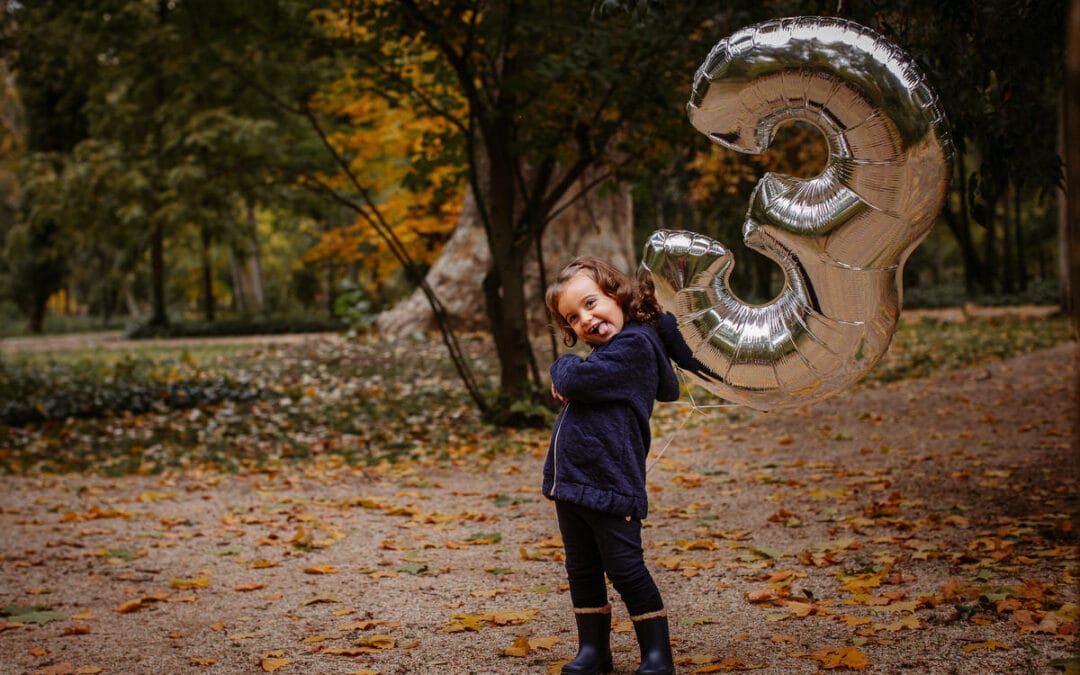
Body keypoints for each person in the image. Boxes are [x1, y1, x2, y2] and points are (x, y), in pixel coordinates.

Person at [543, 256, 680, 675]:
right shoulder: (608, 354)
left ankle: (657, 655)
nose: (585, 319)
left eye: (590, 303)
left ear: (616, 294)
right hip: (573, 483)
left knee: (625, 568)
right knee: (582, 567)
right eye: (573, 317)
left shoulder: (635, 347)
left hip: (610, 482)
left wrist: (562, 367)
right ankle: (593, 651)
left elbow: (577, 381)